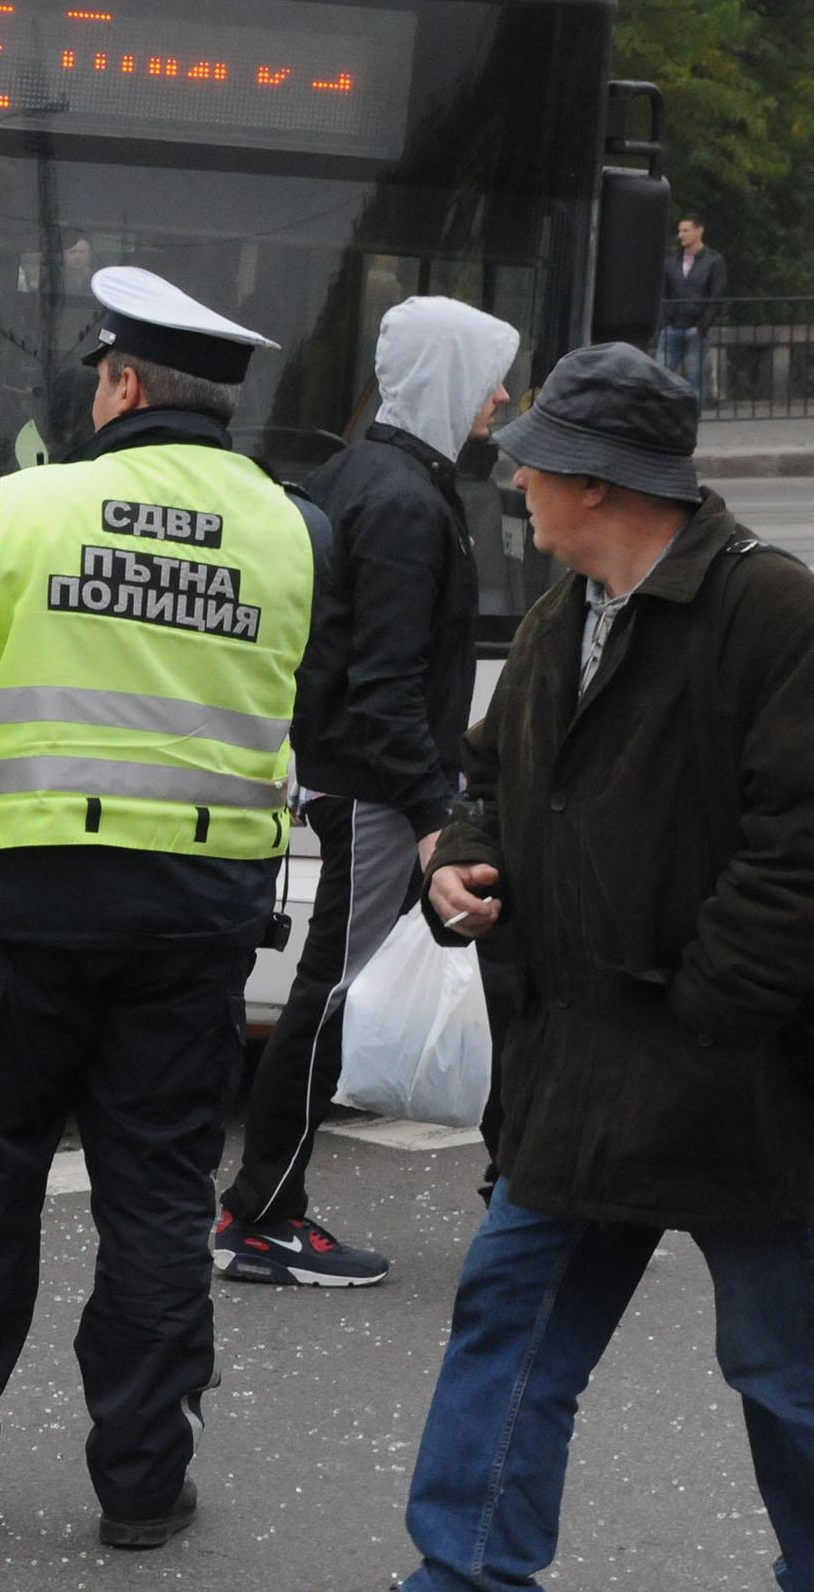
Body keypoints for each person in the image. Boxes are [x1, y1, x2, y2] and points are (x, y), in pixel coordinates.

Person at [0, 267, 342, 1551]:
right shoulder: (294, 529)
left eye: (103, 376)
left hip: (25, 923)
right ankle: (143, 1486)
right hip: (196, 929)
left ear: (126, 384)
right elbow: (329, 708)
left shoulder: (23, 511)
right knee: (155, 1201)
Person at [399, 343, 814, 1592]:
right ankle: (465, 1579)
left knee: (786, 1372)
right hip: (578, 1076)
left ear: (595, 481)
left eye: (533, 464)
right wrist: (462, 864)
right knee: (509, 1332)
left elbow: (797, 852)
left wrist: (701, 1021)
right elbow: (490, 781)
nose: (515, 481)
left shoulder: (771, 612)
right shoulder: (556, 619)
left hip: (739, 1085)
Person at [215, 296, 517, 1289]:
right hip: (384, 794)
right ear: (441, 377)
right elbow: (386, 687)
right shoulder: (403, 502)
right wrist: (436, 815)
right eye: (486, 374)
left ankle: (522, 1192)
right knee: (331, 994)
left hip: (368, 782)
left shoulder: (361, 475)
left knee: (450, 971)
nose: (503, 394)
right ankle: (262, 1214)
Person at [658, 214, 729, 405]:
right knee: (659, 378)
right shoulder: (671, 260)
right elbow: (662, 292)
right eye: (679, 231)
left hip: (695, 330)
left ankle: (692, 419)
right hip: (671, 326)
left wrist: (702, 326)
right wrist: (664, 320)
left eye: (685, 230)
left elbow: (717, 296)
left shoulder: (714, 261)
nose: (680, 235)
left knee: (695, 380)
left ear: (699, 231)